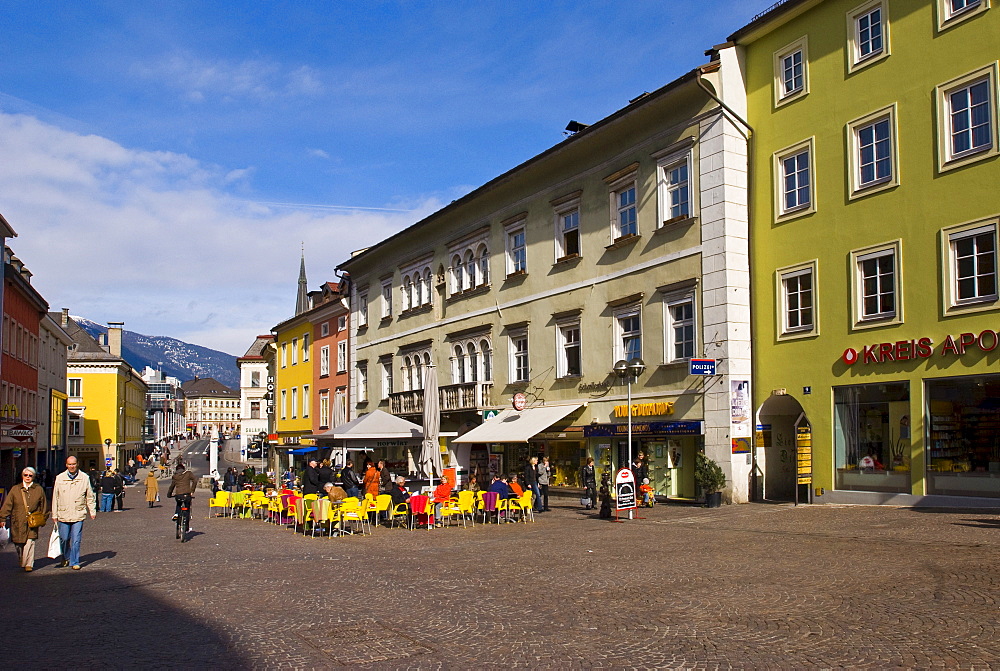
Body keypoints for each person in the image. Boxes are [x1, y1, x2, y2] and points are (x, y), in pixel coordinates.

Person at [52, 456, 97, 570]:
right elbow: (55, 497)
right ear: (66, 465)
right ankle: (66, 557)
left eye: (74, 464)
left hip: (78, 513)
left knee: (76, 539)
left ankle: (75, 561)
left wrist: (92, 510)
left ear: (77, 464)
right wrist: (54, 514)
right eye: (69, 464)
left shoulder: (84, 478)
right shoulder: (60, 478)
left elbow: (90, 496)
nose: (72, 466)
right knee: (64, 538)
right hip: (63, 513)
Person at [0, 466, 49, 572]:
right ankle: (22, 559)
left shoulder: (38, 489)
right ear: (22, 476)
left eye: (30, 475)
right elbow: (8, 504)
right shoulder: (15, 489)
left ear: (33, 477)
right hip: (17, 521)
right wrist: (2, 518)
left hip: (32, 522)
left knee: (30, 541)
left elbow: (44, 505)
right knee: (18, 543)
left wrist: (43, 518)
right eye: (25, 475)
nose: (28, 477)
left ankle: (28, 564)